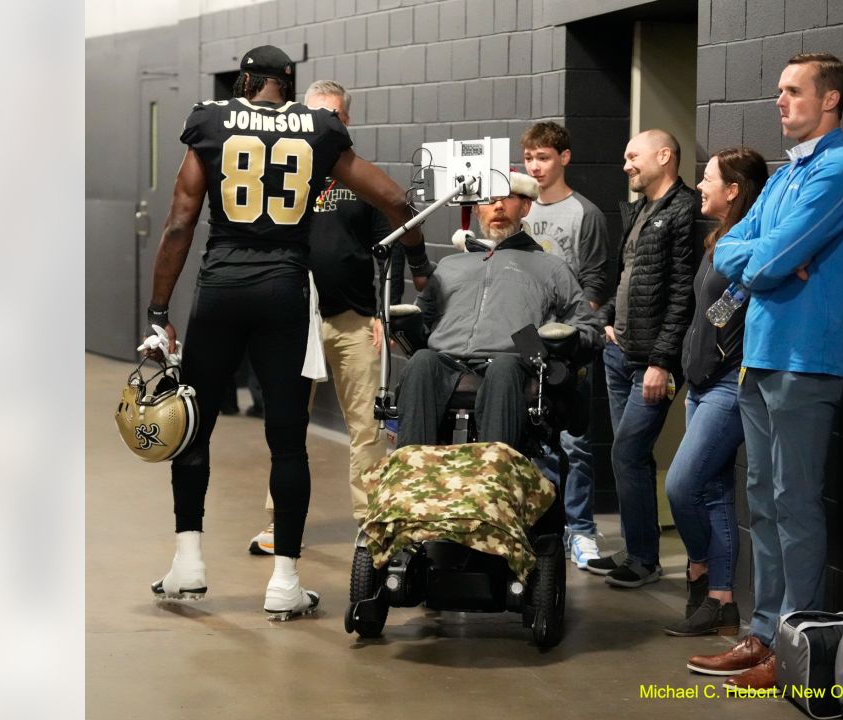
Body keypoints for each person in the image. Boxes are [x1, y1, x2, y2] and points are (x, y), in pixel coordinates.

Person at [143, 45, 431, 620]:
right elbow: (396, 199)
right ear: (288, 84)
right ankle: (284, 582)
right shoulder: (318, 127)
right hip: (285, 291)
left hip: (220, 288)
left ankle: (189, 563)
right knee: (287, 438)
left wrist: (157, 310)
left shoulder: (210, 119)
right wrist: (420, 264)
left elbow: (179, 223)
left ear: (246, 81)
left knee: (194, 428)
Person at [686, 52, 843, 688]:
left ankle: (797, 652)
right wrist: (762, 257)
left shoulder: (841, 171)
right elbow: (732, 248)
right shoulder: (787, 176)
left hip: (807, 359)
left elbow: (765, 262)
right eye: (779, 91)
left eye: (794, 92)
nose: (781, 101)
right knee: (762, 503)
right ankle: (764, 633)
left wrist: (765, 259)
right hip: (759, 356)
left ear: (831, 101)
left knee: (794, 504)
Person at [246, 80, 425, 555]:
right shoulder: (282, 177)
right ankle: (277, 523)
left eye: (331, 116)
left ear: (345, 121)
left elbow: (392, 252)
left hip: (354, 321)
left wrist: (386, 315)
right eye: (313, 115)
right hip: (291, 324)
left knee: (367, 427)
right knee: (285, 426)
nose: (321, 125)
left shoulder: (361, 179)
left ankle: (371, 524)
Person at [394, 172, 602, 453]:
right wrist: (399, 326)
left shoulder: (549, 267)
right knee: (421, 361)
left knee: (503, 367)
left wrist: (562, 342)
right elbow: (421, 318)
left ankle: (496, 481)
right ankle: (413, 477)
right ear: (478, 208)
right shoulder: (450, 265)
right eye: (489, 199)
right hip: (447, 363)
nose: (499, 206)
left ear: (526, 206)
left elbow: (589, 328)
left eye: (508, 197)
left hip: (511, 365)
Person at [584, 129, 698, 589]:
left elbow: (682, 296)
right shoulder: (640, 210)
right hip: (621, 353)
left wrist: (662, 361)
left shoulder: (684, 210)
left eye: (634, 156)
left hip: (651, 362)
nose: (626, 165)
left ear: (664, 156)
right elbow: (627, 279)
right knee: (630, 457)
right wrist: (606, 321)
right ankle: (637, 551)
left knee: (628, 452)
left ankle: (645, 560)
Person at [661, 147, 768, 637]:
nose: (698, 186)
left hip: (729, 385)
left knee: (681, 486)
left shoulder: (750, 244)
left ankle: (700, 569)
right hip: (703, 385)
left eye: (707, 180)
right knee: (715, 492)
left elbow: (734, 307)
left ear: (734, 190)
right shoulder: (719, 239)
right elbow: (713, 313)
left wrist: (713, 361)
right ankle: (721, 603)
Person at [519, 121, 612, 570]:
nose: (536, 167)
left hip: (567, 341)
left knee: (574, 440)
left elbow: (595, 281)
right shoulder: (517, 208)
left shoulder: (583, 213)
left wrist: (573, 332)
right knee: (532, 436)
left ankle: (581, 531)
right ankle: (540, 529)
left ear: (564, 159)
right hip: (523, 339)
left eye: (544, 158)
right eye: (530, 158)